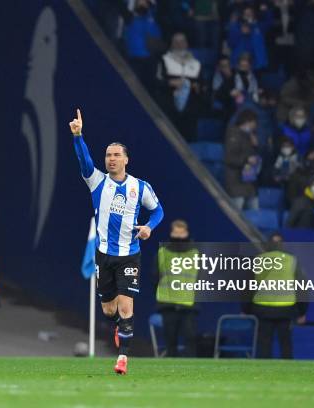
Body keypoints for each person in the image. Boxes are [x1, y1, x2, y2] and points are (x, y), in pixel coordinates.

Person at [70, 109, 164, 375]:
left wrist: (149, 227)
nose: (111, 159)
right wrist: (78, 136)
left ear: (126, 159)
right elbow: (84, 161)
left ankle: (122, 358)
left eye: (116, 155)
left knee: (126, 306)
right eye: (108, 155)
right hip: (104, 255)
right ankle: (118, 327)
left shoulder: (140, 187)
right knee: (109, 309)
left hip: (130, 255)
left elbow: (158, 211)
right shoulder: (97, 181)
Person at [243, 233, 308, 359]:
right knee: (286, 345)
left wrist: (245, 309)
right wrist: (302, 312)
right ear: (282, 245)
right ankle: (288, 374)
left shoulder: (258, 259)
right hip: (286, 309)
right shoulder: (292, 261)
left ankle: (262, 375)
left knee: (264, 345)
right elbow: (302, 287)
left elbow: (248, 287)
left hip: (262, 309)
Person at [154, 219, 199, 357]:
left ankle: (192, 369)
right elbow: (155, 276)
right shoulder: (162, 252)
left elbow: (201, 277)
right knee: (170, 339)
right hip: (167, 303)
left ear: (187, 233)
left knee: (190, 338)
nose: (179, 236)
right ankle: (170, 371)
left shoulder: (195, 253)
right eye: (176, 232)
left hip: (188, 303)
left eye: (181, 233)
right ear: (171, 233)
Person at [156, 32, 203, 141]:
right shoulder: (164, 60)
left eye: (182, 41)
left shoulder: (196, 64)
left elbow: (202, 86)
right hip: (169, 110)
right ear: (171, 44)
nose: (179, 44)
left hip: (189, 113)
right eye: (176, 42)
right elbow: (156, 82)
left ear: (187, 44)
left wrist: (197, 87)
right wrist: (170, 83)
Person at [224, 109, 260, 210]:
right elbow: (230, 158)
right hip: (236, 183)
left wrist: (256, 146)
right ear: (248, 121)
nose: (255, 126)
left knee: (254, 217)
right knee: (236, 215)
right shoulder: (234, 135)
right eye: (254, 123)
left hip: (249, 182)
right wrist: (246, 159)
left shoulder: (250, 136)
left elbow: (253, 157)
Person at [123, 0, 163, 89]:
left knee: (149, 87)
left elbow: (157, 39)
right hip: (134, 59)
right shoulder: (130, 17)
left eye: (145, 2)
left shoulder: (152, 19)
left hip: (150, 59)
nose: (142, 4)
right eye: (140, 2)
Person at [228, 6, 269, 70]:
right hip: (239, 63)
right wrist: (235, 27)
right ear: (242, 15)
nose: (248, 15)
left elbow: (269, 23)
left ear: (253, 15)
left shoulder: (259, 27)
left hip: (257, 65)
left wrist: (265, 11)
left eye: (250, 13)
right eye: (246, 14)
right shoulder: (236, 27)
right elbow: (231, 44)